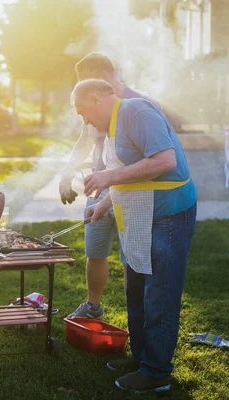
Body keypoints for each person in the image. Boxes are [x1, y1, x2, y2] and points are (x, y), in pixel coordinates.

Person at [72, 79, 197, 393]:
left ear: (95, 98)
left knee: (160, 295)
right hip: (140, 216)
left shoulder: (136, 111)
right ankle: (142, 358)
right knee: (136, 289)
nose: (84, 121)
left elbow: (164, 162)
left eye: (83, 113)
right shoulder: (112, 124)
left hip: (168, 214)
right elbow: (133, 172)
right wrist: (104, 203)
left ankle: (156, 372)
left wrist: (108, 177)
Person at [60, 53, 162, 319]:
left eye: (86, 81)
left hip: (133, 190)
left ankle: (137, 319)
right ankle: (93, 307)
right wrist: (66, 175)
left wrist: (115, 181)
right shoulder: (93, 102)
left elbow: (158, 158)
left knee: (133, 258)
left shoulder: (138, 105)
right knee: (95, 251)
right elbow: (85, 139)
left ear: (103, 77)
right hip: (99, 188)